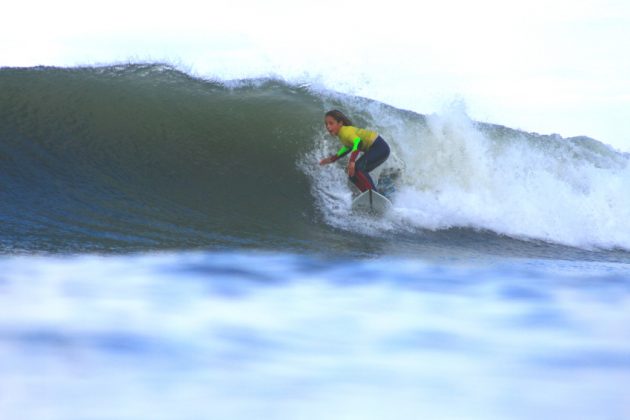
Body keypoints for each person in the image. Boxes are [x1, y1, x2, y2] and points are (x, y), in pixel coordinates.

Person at [319, 109, 390, 192]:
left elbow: (358, 142)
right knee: (352, 174)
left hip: (379, 147)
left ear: (340, 123)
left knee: (358, 168)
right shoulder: (342, 135)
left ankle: (372, 193)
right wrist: (333, 158)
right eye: (326, 124)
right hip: (379, 149)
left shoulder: (344, 131)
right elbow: (348, 147)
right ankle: (367, 193)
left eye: (331, 123)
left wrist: (352, 161)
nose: (328, 126)